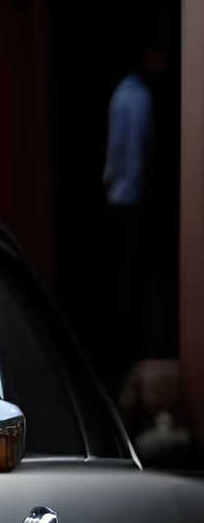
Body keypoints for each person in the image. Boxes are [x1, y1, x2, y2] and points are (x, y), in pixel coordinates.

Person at [104, 40, 166, 371]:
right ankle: (126, 351)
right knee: (131, 280)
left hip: (121, 197)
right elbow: (137, 153)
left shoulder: (125, 92)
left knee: (127, 278)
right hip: (132, 201)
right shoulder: (138, 96)